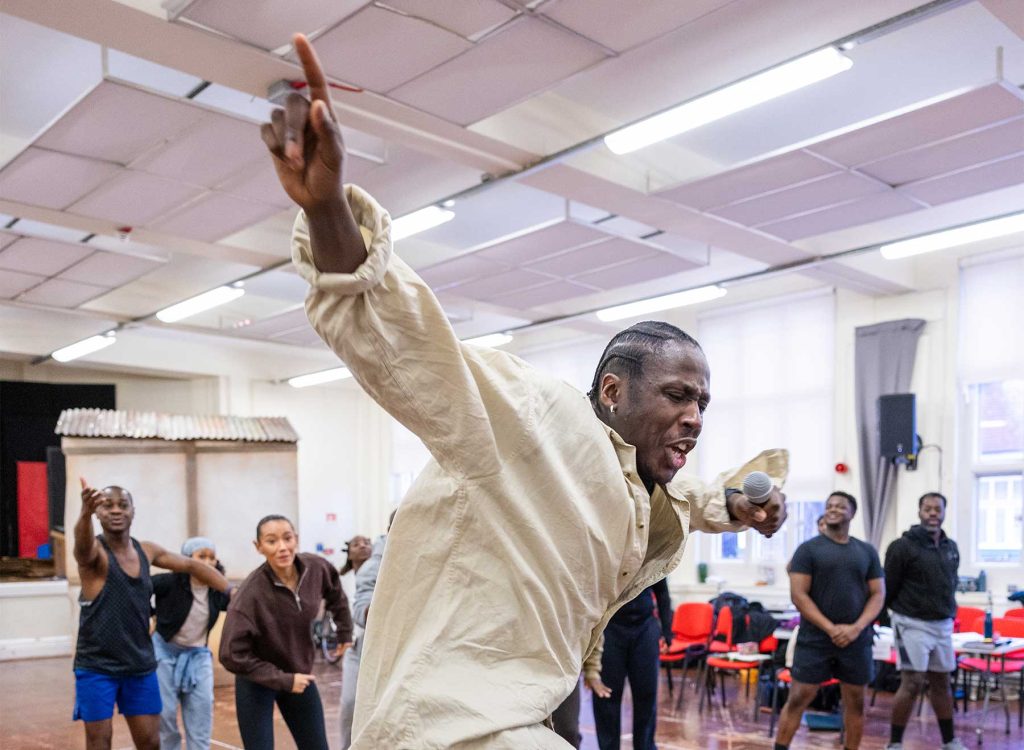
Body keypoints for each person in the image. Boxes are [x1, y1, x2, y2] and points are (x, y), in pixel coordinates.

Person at [262, 35, 788, 748]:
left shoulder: (635, 485)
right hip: (446, 726)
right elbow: (408, 341)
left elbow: (690, 501)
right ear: (611, 389)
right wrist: (328, 212)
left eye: (703, 405)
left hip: (520, 713)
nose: (693, 418)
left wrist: (744, 504)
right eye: (675, 396)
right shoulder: (534, 415)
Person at [73, 481, 230, 750]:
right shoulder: (96, 554)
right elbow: (82, 549)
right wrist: (84, 514)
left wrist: (231, 590)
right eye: (107, 505)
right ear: (98, 513)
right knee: (99, 741)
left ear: (133, 512)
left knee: (150, 742)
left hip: (139, 665)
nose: (115, 511)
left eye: (123, 505)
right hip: (97, 665)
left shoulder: (146, 551)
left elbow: (192, 565)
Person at [219, 515, 352, 750]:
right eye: (271, 541)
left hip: (299, 674)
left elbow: (336, 594)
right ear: (258, 547)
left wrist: (344, 631)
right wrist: (283, 680)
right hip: (257, 681)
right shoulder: (250, 594)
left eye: (287, 538)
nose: (282, 547)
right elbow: (230, 653)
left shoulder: (316, 568)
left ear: (296, 539)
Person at [775, 491, 885, 750]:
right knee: (799, 697)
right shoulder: (808, 550)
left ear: (852, 513)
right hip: (815, 638)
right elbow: (798, 595)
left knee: (855, 702)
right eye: (829, 506)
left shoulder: (867, 551)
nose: (833, 509)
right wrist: (831, 628)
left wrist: (856, 628)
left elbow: (878, 594)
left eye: (840, 506)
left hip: (856, 639)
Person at [883, 492, 964, 750]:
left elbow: (950, 583)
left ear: (944, 513)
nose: (932, 513)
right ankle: (895, 743)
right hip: (910, 622)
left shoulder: (950, 547)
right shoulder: (902, 546)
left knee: (942, 681)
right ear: (919, 512)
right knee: (913, 681)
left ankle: (949, 741)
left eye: (937, 509)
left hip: (942, 625)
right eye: (927, 509)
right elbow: (889, 586)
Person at [151, 536, 231, 750]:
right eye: (201, 556)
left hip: (198, 655)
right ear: (186, 560)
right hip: (164, 652)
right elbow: (138, 590)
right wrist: (148, 615)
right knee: (165, 712)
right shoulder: (169, 582)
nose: (207, 562)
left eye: (211, 557)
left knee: (202, 710)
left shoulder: (218, 589)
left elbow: (239, 606)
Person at [591, 579, 674, 750]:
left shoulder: (650, 553)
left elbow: (663, 593)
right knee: (606, 696)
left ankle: (646, 746)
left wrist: (666, 631)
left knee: (646, 694)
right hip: (610, 628)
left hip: (645, 628)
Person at [340, 518, 391, 749]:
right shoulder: (347, 580)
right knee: (351, 704)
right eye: (356, 544)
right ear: (349, 553)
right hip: (356, 645)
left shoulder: (380, 568)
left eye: (366, 542)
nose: (363, 545)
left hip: (381, 644)